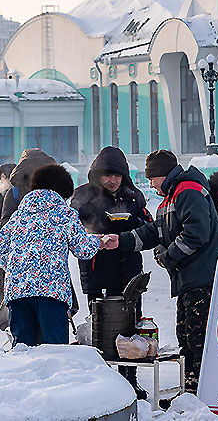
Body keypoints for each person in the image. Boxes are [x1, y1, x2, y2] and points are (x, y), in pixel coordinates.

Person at [103, 150, 218, 393]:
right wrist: (121, 240)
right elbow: (153, 233)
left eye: (151, 179)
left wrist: (168, 258)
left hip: (203, 277)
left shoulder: (188, 191)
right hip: (188, 280)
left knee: (198, 336)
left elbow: (195, 235)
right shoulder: (169, 199)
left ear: (162, 175)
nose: (150, 184)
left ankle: (203, 387)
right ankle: (190, 386)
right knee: (186, 334)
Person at [69, 146, 152, 399]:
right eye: (107, 175)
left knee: (129, 327)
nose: (112, 180)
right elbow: (73, 233)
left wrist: (130, 226)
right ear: (97, 175)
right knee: (99, 328)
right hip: (96, 272)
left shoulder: (134, 197)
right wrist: (98, 235)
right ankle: (101, 382)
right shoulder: (82, 196)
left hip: (128, 272)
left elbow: (149, 229)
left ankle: (130, 379)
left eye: (117, 175)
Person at [0, 164, 100, 346]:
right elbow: (83, 250)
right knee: (55, 351)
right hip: (51, 292)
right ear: (62, 192)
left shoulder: (18, 215)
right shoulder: (65, 213)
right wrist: (99, 241)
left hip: (17, 293)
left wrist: (20, 269)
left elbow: (0, 252)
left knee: (23, 350)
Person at [0, 149, 57, 331]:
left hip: (48, 264)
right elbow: (4, 223)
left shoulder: (53, 194)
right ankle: (4, 319)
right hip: (21, 260)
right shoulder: (14, 193)